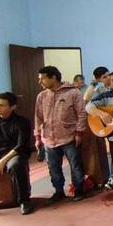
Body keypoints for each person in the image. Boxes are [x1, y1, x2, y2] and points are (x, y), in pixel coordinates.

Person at [34, 66, 86, 203]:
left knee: (75, 165)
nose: (40, 82)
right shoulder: (42, 96)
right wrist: (37, 136)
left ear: (53, 77)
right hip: (49, 139)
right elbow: (38, 117)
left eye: (43, 79)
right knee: (53, 168)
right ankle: (58, 191)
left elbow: (81, 114)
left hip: (69, 136)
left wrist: (79, 132)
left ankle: (78, 190)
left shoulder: (73, 92)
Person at [0, 92, 33, 214]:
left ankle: (24, 201)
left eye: (2, 105)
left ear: (13, 107)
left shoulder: (22, 122)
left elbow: (21, 146)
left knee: (15, 166)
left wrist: (1, 162)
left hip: (17, 153)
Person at [83, 66, 113, 190]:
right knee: (108, 151)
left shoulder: (112, 87)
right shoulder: (99, 88)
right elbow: (86, 99)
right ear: (99, 79)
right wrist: (93, 83)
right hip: (103, 122)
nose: (108, 78)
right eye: (104, 77)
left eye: (108, 75)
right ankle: (110, 176)